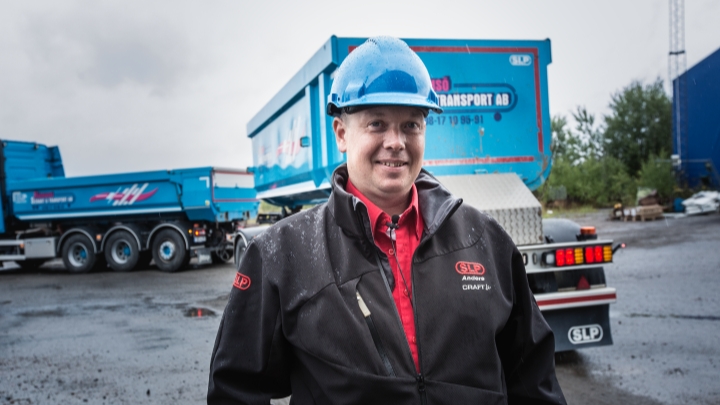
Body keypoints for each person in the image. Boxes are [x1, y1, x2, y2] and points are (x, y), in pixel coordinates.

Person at [208, 36, 566, 405]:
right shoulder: (282, 254)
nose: (396, 142)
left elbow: (533, 377)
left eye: (411, 125)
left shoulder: (484, 241)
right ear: (342, 134)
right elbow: (236, 389)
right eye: (377, 124)